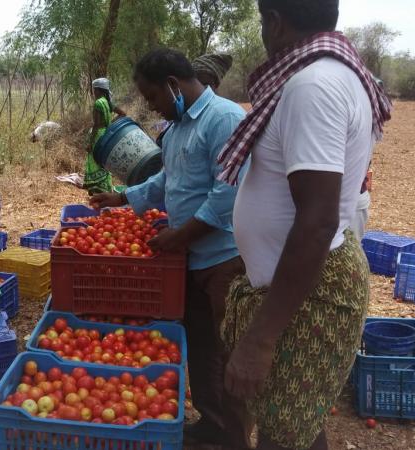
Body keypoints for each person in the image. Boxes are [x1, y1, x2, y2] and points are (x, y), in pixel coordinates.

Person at [216, 1, 392, 449]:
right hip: (302, 284)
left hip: (309, 294)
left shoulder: (312, 86)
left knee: (284, 435)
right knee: (296, 425)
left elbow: (316, 221)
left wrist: (259, 340)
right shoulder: (340, 75)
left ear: (274, 22)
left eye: (261, 22)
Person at [90, 49, 253, 450]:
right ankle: (212, 424)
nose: (151, 106)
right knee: (200, 345)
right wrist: (123, 198)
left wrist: (178, 237)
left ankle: (234, 438)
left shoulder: (225, 119)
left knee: (229, 350)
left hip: (225, 259)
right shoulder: (178, 129)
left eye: (152, 98)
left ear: (172, 85)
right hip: (191, 259)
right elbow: (167, 181)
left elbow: (226, 194)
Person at [155, 52, 232, 147]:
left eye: (204, 84)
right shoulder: (177, 122)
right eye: (195, 82)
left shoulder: (224, 117)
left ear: (215, 85)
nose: (199, 89)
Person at [84, 78, 125, 195]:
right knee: (103, 161)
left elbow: (96, 125)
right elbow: (123, 113)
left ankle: (97, 189)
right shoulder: (107, 102)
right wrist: (111, 124)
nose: (93, 92)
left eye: (94, 90)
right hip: (107, 134)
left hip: (99, 136)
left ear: (98, 90)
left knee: (95, 160)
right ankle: (106, 189)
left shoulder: (98, 103)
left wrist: (90, 143)